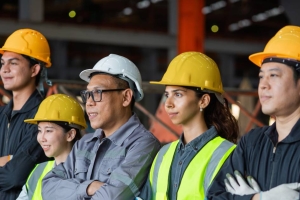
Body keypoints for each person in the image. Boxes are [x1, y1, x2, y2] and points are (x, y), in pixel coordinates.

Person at [42, 54, 161, 200]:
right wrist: (89, 187)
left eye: (98, 93)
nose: (89, 103)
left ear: (126, 97)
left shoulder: (142, 144)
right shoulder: (84, 144)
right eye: (88, 94)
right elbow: (48, 188)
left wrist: (73, 191)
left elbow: (111, 197)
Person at [207, 25, 300, 200]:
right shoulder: (252, 143)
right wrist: (257, 198)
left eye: (273, 75)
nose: (263, 85)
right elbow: (214, 196)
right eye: (261, 76)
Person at [137, 51, 238, 200]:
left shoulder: (227, 155)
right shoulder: (163, 155)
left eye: (178, 94)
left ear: (203, 101)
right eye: (167, 95)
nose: (168, 104)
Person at [0, 28, 52, 200]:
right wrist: (8, 160)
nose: (5, 69)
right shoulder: (1, 115)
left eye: (13, 63)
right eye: (2, 63)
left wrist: (10, 162)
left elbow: (14, 176)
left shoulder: (44, 117)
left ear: (34, 69)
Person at [16, 94, 87, 200]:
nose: (41, 138)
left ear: (70, 135)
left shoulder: (88, 172)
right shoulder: (38, 170)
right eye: (40, 130)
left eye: (48, 130)